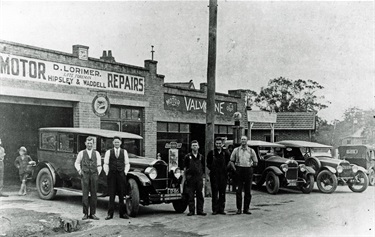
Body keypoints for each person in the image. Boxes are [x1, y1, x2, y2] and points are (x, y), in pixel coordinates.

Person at [74, 137, 102, 220]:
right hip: (85, 175)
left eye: (91, 143)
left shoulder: (96, 153)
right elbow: (77, 163)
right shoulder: (81, 153)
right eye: (88, 143)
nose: (89, 145)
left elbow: (99, 165)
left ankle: (93, 214)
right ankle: (85, 214)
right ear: (85, 143)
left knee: (94, 194)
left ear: (93, 144)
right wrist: (80, 171)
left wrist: (97, 173)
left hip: (94, 175)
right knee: (85, 194)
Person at [229, 136, 258, 215]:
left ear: (247, 141)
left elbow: (256, 162)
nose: (243, 141)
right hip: (239, 170)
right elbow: (231, 161)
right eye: (242, 139)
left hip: (248, 171)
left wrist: (251, 165)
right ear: (240, 141)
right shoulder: (236, 150)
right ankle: (239, 209)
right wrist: (235, 170)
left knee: (248, 191)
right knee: (238, 191)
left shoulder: (251, 151)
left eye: (245, 140)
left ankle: (246, 208)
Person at [103, 136, 130, 220]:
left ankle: (123, 214)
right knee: (112, 195)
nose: (116, 143)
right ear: (113, 143)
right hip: (112, 175)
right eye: (115, 142)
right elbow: (105, 163)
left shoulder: (124, 152)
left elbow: (127, 163)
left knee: (122, 195)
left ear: (120, 143)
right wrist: (107, 172)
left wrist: (125, 172)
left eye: (118, 142)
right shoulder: (109, 152)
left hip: (121, 175)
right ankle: (110, 214)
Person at [207, 137, 230, 215]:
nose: (218, 145)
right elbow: (208, 164)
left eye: (219, 143)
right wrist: (213, 169)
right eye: (217, 143)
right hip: (214, 176)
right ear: (215, 144)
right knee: (214, 193)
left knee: (222, 193)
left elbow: (228, 163)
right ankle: (215, 209)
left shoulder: (226, 153)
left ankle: (221, 209)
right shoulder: (211, 153)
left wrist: (225, 171)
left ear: (222, 144)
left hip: (223, 176)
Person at [184, 140, 206, 216]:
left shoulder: (201, 157)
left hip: (199, 178)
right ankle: (191, 211)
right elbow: (185, 168)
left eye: (196, 145)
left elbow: (203, 167)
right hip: (191, 178)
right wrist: (186, 178)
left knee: (200, 195)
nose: (194, 147)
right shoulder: (187, 157)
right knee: (191, 195)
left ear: (198, 146)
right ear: (191, 147)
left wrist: (203, 177)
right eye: (193, 145)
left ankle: (200, 210)